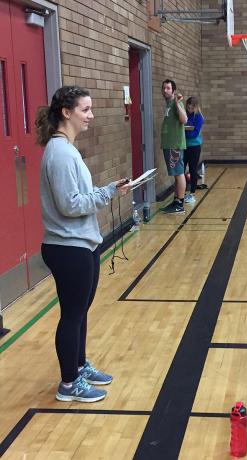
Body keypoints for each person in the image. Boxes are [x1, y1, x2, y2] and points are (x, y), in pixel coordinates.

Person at [35, 86, 132, 402]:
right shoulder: (60, 152)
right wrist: (105, 194)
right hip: (67, 248)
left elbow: (77, 198)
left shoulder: (67, 149)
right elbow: (69, 204)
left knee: (81, 312)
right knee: (72, 315)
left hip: (82, 244)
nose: (90, 116)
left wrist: (105, 189)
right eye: (85, 109)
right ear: (67, 112)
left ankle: (78, 366)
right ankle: (68, 384)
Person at [160, 79, 188, 214]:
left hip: (174, 145)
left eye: (168, 88)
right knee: (176, 174)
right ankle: (176, 201)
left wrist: (177, 103)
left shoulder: (176, 103)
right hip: (169, 145)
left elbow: (184, 120)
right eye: (164, 88)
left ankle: (180, 205)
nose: (165, 90)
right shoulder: (168, 104)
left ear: (173, 90)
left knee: (179, 173)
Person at [184, 97, 205, 204]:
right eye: (188, 108)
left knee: (192, 170)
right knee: (181, 170)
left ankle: (192, 194)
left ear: (196, 107)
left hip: (194, 147)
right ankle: (181, 192)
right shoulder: (185, 115)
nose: (190, 110)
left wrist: (184, 131)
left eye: (192, 108)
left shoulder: (199, 118)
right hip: (184, 146)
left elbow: (194, 134)